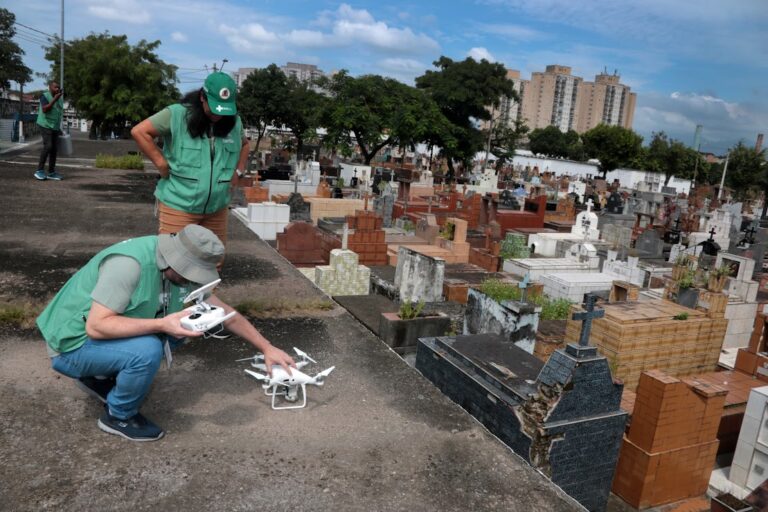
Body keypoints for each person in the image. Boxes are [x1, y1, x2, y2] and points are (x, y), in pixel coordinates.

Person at [36, 224, 296, 442]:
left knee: (185, 326)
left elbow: (224, 313)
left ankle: (98, 376)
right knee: (148, 349)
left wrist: (267, 347)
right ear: (173, 259)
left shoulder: (177, 269)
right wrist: (161, 324)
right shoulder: (128, 265)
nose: (192, 279)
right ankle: (118, 415)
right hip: (71, 345)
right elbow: (96, 326)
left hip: (97, 339)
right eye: (189, 273)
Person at [131, 72, 249, 246]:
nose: (219, 115)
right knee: (174, 263)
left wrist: (237, 171)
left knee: (213, 262)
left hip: (217, 208)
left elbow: (245, 145)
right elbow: (140, 132)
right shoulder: (177, 114)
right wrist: (161, 163)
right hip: (179, 205)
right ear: (202, 97)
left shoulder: (234, 122)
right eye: (215, 108)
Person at [34, 81, 64, 181]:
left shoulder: (60, 99)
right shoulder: (44, 96)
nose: (57, 89)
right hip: (44, 124)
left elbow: (58, 113)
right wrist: (54, 99)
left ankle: (51, 172)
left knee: (54, 149)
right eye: (55, 87)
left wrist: (58, 128)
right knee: (48, 146)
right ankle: (39, 171)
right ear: (50, 87)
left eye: (58, 88)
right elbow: (45, 109)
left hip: (54, 126)